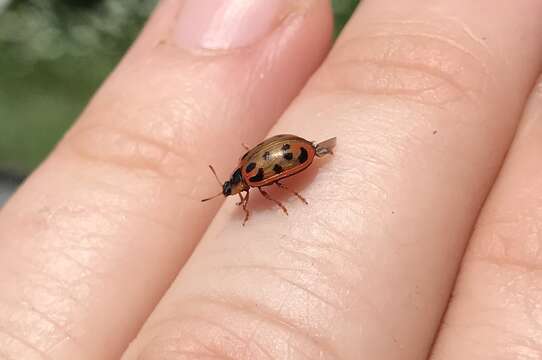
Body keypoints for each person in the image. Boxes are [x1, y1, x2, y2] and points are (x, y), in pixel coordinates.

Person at [1, 0, 542, 358]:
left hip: (302, 150)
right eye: (240, 188)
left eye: (239, 188)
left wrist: (279, 193)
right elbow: (272, 166)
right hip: (298, 148)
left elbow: (276, 173)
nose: (240, 192)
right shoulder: (254, 173)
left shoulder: (258, 179)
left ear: (244, 183)